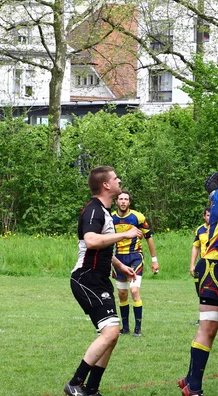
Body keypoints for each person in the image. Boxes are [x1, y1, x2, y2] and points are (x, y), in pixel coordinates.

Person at [64, 166, 140, 396]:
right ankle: (75, 383)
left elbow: (103, 246)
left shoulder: (104, 211)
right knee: (110, 332)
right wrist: (124, 235)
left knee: (111, 335)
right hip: (87, 278)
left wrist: (120, 266)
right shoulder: (94, 210)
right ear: (106, 185)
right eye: (115, 178)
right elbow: (91, 241)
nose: (119, 181)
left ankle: (92, 389)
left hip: (99, 278)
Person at [178, 172, 218, 396]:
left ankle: (191, 379)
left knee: (209, 329)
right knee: (208, 328)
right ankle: (193, 387)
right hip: (215, 267)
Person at [112, 190, 160, 337]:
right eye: (120, 199)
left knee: (134, 291)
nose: (123, 202)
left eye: (126, 199)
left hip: (135, 258)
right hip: (118, 258)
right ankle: (125, 328)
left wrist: (154, 260)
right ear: (116, 202)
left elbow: (149, 237)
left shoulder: (138, 217)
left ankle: (137, 328)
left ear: (129, 202)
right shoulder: (110, 218)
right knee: (122, 294)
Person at [190, 206, 211, 277]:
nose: (210, 217)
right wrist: (192, 265)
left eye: (212, 215)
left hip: (216, 261)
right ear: (204, 216)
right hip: (204, 261)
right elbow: (195, 247)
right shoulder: (200, 230)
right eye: (208, 215)